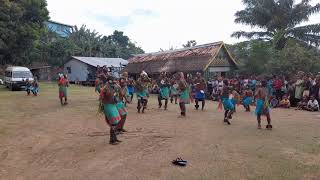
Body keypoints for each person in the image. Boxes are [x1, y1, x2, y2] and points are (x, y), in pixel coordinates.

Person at [99, 77, 122, 145]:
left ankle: (114, 138)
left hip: (113, 105)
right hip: (108, 106)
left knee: (116, 122)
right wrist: (104, 102)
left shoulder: (113, 87)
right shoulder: (105, 88)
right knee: (113, 123)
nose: (115, 82)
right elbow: (101, 98)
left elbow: (116, 95)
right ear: (109, 81)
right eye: (113, 80)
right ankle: (111, 140)